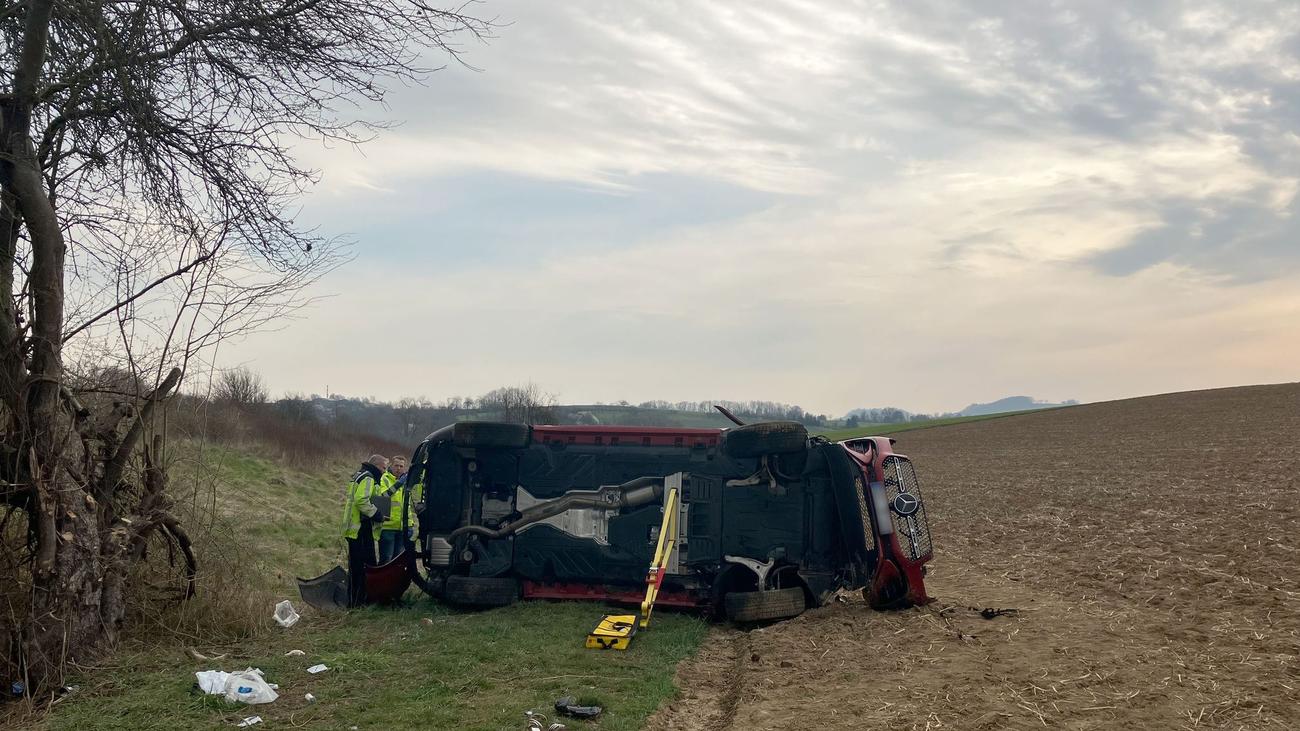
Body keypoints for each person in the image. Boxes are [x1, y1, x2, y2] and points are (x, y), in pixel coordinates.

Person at [342, 454, 387, 607]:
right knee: (361, 567)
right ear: (376, 465)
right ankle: (358, 602)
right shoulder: (368, 477)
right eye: (383, 468)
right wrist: (377, 514)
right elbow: (361, 500)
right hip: (360, 529)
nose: (384, 471)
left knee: (358, 566)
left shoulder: (359, 474)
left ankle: (358, 599)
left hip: (354, 528)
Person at [376, 456, 411, 563]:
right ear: (391, 465)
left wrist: (410, 524)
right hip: (388, 526)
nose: (398, 468)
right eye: (396, 465)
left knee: (398, 561)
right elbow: (383, 497)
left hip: (403, 527)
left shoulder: (407, 481)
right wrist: (398, 484)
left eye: (401, 466)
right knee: (386, 559)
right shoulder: (384, 478)